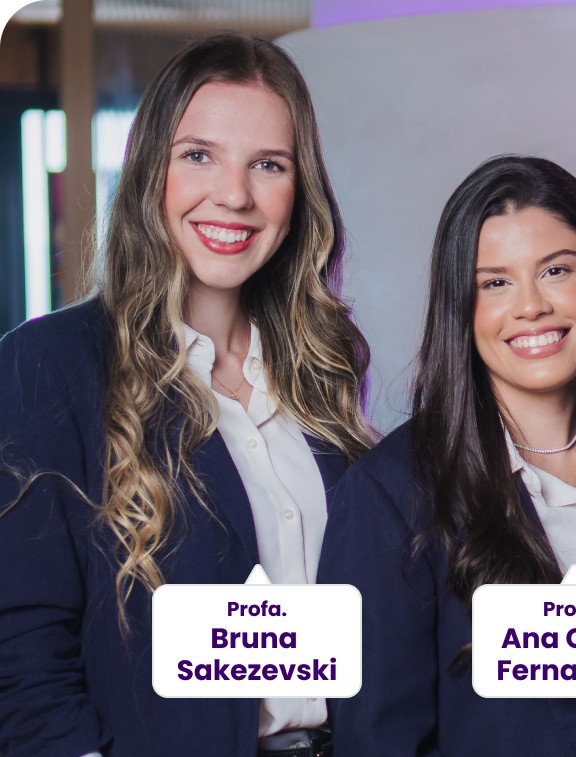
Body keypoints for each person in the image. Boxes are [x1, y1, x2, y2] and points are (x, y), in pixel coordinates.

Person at [0, 33, 372, 757]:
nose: (233, 194)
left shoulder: (324, 373)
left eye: (268, 165)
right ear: (150, 173)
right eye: (198, 155)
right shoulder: (49, 367)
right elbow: (21, 662)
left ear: (299, 195)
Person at [318, 155, 576, 756]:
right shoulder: (393, 496)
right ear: (462, 306)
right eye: (496, 282)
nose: (531, 305)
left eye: (556, 270)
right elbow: (378, 741)